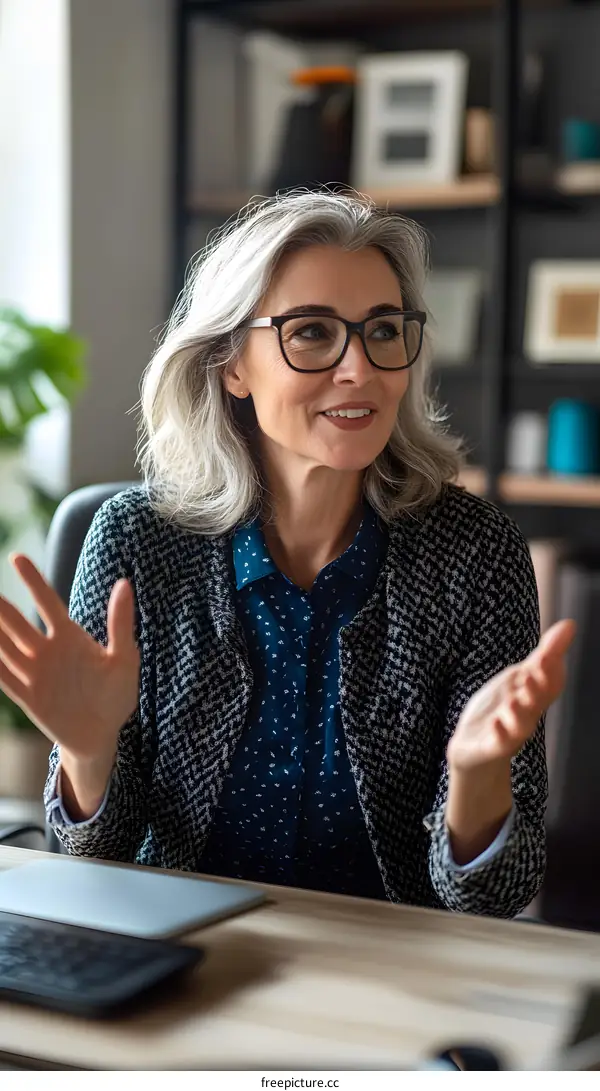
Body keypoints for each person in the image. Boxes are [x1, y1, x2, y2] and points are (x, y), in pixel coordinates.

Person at [0, 190, 574, 917]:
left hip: (390, 971)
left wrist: (477, 780)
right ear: (231, 363)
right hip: (181, 959)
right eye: (312, 333)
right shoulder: (135, 540)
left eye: (383, 331)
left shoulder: (475, 553)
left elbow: (493, 897)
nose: (360, 369)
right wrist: (88, 752)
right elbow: (93, 860)